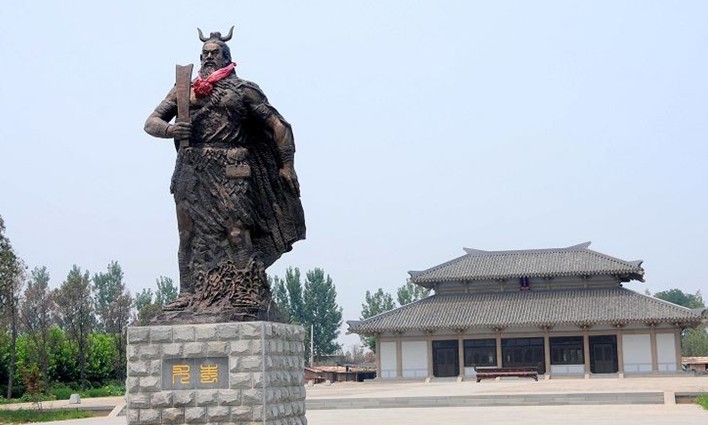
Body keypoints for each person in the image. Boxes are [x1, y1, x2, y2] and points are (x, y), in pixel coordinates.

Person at [144, 28, 305, 318]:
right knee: (187, 233)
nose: (208, 58)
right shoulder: (184, 90)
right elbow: (151, 122)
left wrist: (287, 164)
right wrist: (171, 130)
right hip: (191, 169)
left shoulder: (243, 90)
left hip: (231, 166)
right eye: (204, 54)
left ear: (227, 57)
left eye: (214, 53)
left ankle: (245, 290)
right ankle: (187, 293)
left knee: (237, 230)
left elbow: (278, 125)